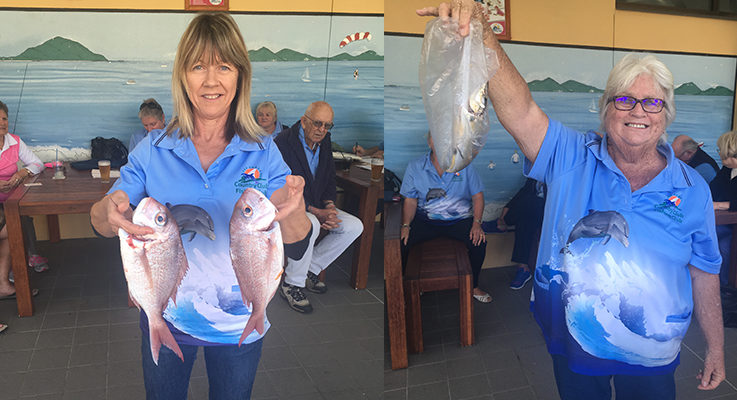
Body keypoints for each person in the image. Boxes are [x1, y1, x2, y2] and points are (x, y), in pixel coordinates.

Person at [417, 2, 724, 397]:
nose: (638, 111)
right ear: (606, 108)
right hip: (576, 340)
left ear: (666, 114)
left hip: (653, 352)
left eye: (652, 102)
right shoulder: (570, 155)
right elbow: (520, 109)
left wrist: (716, 347)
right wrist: (481, 29)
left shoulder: (692, 187)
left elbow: (704, 271)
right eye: (624, 100)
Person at [90, 13, 310, 399]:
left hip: (240, 322)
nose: (211, 81)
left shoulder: (264, 150)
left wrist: (294, 205)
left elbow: (296, 236)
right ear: (182, 77)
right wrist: (108, 211)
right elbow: (102, 217)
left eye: (224, 66)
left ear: (240, 76)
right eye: (198, 67)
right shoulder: (154, 149)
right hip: (165, 315)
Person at [274, 101, 363, 313]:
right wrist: (317, 212)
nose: (322, 130)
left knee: (354, 226)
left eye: (327, 125)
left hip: (316, 205)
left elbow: (329, 178)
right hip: (288, 207)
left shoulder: (324, 141)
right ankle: (291, 284)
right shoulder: (282, 143)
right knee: (311, 223)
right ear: (304, 121)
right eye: (317, 123)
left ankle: (310, 269)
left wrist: (330, 207)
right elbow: (282, 186)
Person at [400, 134, 491, 303]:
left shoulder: (464, 165)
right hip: (426, 220)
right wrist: (406, 225)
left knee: (479, 243)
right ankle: (410, 286)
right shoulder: (415, 166)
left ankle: (473, 285)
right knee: (401, 243)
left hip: (459, 220)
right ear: (429, 142)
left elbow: (478, 196)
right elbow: (410, 200)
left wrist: (477, 223)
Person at [0, 100, 45, 301]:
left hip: (11, 201)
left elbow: (37, 163)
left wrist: (21, 173)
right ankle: (11, 272)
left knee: (19, 218)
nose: (2, 123)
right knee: (12, 226)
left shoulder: (14, 141)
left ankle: (14, 270)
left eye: (4, 118)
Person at [483, 178, 545, 290]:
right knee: (524, 220)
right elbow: (519, 196)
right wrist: (502, 217)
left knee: (532, 202)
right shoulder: (534, 177)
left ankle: (503, 224)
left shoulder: (559, 176)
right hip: (531, 215)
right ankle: (523, 268)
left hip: (550, 214)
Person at [709, 131, 737, 288]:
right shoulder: (727, 170)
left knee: (723, 246)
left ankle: (725, 287)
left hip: (731, 226)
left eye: (720, 150)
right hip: (727, 224)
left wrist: (721, 205)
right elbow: (711, 189)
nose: (719, 154)